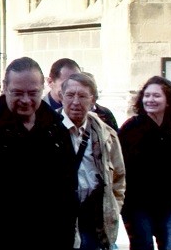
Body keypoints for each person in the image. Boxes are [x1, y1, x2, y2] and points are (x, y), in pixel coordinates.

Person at [0, 57, 78, 249]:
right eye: (18, 93)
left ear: (42, 87)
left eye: (32, 93)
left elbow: (69, 188)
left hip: (49, 238)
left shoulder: (56, 128)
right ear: (5, 88)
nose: (26, 100)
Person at [117, 76, 171, 250]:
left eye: (156, 96)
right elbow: (121, 166)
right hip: (137, 205)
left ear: (168, 100)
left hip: (167, 204)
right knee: (144, 246)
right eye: (147, 95)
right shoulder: (131, 128)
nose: (150, 100)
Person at [58, 73, 127, 250]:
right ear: (61, 97)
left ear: (93, 99)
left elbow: (118, 177)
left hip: (94, 218)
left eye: (82, 96)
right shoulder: (48, 130)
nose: (75, 101)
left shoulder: (105, 134)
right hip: (61, 218)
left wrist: (112, 209)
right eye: (70, 95)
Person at [44, 58, 119, 128]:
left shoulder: (101, 114)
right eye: (66, 83)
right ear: (50, 82)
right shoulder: (38, 112)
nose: (75, 102)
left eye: (78, 81)